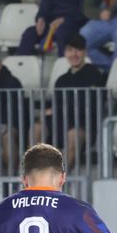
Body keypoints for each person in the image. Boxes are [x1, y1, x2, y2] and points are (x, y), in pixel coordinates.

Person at [42, 34, 106, 169]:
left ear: (85, 52)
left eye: (78, 50)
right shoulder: (61, 80)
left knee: (73, 135)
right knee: (37, 128)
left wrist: (61, 111)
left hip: (84, 126)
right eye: (70, 50)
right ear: (65, 53)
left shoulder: (96, 75)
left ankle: (57, 183)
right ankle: (31, 180)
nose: (74, 54)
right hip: (60, 125)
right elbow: (55, 106)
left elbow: (92, 106)